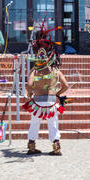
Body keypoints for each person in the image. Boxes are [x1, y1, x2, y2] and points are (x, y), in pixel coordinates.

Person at [22, 22, 69, 156]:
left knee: (34, 124)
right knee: (53, 125)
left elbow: (29, 84)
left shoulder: (35, 70)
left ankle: (31, 147)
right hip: (51, 102)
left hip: (37, 102)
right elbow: (66, 85)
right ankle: (56, 148)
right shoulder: (55, 70)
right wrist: (58, 94)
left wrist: (30, 94)